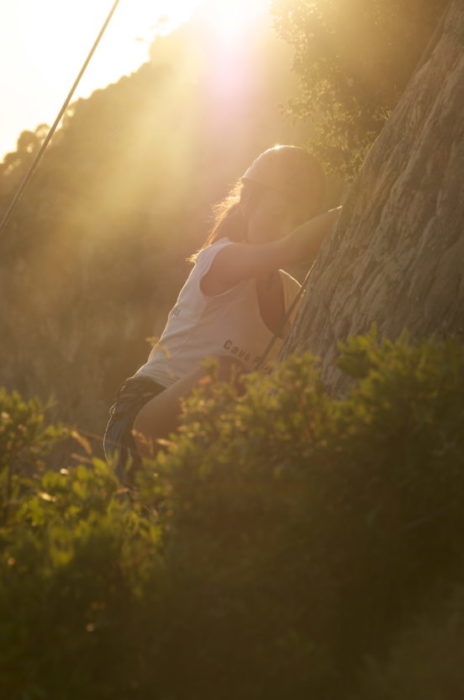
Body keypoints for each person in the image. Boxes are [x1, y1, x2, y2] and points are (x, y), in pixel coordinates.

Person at [103, 144, 341, 478]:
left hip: (207, 435)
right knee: (225, 373)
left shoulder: (292, 294)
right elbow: (293, 247)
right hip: (145, 415)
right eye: (277, 215)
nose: (287, 226)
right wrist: (354, 209)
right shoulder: (220, 258)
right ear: (248, 204)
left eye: (298, 220)